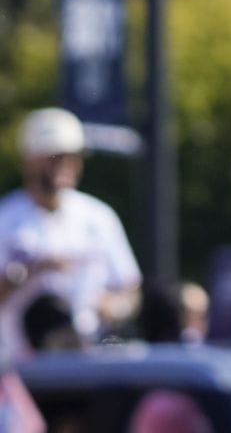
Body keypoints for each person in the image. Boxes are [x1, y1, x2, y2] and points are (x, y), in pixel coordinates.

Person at [0, 109, 141, 365]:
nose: (65, 164)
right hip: (16, 368)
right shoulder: (6, 219)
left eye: (72, 157)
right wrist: (28, 273)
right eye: (55, 156)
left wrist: (115, 307)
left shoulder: (98, 216)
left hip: (90, 364)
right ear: (30, 160)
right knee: (48, 310)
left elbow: (130, 289)